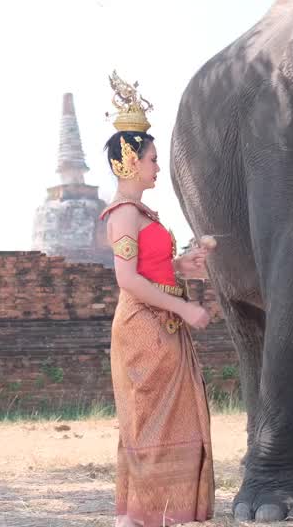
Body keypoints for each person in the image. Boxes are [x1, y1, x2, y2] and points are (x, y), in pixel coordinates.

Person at [99, 71, 216, 527]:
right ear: (129, 161)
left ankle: (170, 513)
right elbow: (128, 280)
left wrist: (185, 266)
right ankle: (144, 515)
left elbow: (153, 271)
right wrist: (184, 306)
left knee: (175, 418)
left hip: (163, 325)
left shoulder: (145, 214)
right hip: (145, 329)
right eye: (150, 158)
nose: (156, 167)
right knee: (151, 421)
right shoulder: (124, 214)